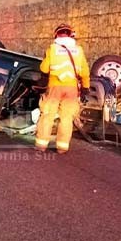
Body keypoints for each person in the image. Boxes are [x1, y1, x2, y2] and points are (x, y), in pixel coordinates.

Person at [36, 23, 90, 154]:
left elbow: (44, 68)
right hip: (72, 89)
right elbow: (85, 71)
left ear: (56, 35)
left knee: (48, 114)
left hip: (55, 87)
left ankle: (41, 145)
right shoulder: (79, 50)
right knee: (66, 117)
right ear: (71, 35)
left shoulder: (52, 49)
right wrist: (86, 87)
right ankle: (62, 147)